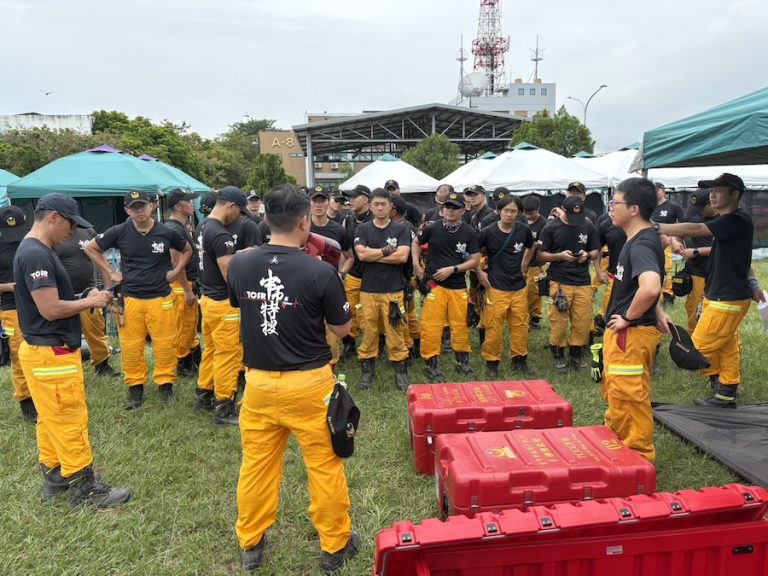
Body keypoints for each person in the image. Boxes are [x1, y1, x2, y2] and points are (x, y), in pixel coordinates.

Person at [228, 184, 358, 574]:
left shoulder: (238, 264)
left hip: (259, 384)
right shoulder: (319, 271)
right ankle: (334, 546)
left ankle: (251, 542)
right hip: (309, 384)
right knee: (324, 465)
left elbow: (240, 303)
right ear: (305, 221)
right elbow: (343, 328)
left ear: (265, 219)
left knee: (256, 465)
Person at [14, 193, 130, 507]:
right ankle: (84, 487)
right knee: (68, 418)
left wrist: (82, 294)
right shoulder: (37, 254)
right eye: (70, 225)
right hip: (51, 354)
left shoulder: (36, 250)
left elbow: (50, 301)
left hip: (41, 351)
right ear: (53, 217)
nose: (72, 233)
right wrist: (90, 302)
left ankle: (55, 477)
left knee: (50, 418)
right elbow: (50, 309)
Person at [654, 173, 763, 407]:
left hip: (728, 298)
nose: (712, 194)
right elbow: (741, 259)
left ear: (736, 194)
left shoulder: (735, 220)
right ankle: (725, 393)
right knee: (726, 347)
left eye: (719, 190)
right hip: (722, 294)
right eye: (711, 190)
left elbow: (695, 228)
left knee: (693, 350)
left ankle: (719, 385)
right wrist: (752, 283)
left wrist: (656, 226)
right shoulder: (730, 222)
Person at [85, 190, 192, 410]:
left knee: (165, 344)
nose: (139, 211)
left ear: (151, 206)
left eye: (142, 206)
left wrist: (176, 270)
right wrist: (111, 271)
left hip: (161, 298)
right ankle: (135, 389)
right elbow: (91, 248)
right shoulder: (120, 231)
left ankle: (166, 385)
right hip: (130, 298)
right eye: (134, 207)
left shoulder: (165, 231)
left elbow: (187, 249)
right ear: (127, 210)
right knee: (131, 346)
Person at [602, 177, 668, 462]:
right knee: (619, 393)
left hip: (631, 335)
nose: (610, 208)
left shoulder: (640, 244)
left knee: (629, 397)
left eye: (615, 203)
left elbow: (651, 286)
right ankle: (618, 446)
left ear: (634, 209)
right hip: (631, 333)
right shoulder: (639, 238)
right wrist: (656, 311)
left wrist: (629, 317)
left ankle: (637, 459)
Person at [194, 186, 250, 426]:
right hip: (224, 303)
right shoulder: (221, 234)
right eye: (240, 211)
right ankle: (224, 407)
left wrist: (244, 252)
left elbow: (218, 258)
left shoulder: (203, 226)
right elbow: (230, 274)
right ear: (231, 206)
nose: (239, 217)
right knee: (228, 354)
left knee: (212, 350)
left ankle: (204, 394)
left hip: (207, 299)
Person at [414, 191, 480, 381]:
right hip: (435, 286)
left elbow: (475, 259)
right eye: (447, 207)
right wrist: (416, 264)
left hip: (458, 286)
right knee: (432, 327)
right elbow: (416, 242)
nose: (450, 211)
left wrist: (453, 269)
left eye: (455, 208)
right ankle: (431, 365)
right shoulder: (432, 228)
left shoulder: (469, 232)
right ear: (442, 209)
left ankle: (462, 362)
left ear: (463, 211)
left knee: (460, 326)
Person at [354, 188, 411, 390]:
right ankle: (367, 372)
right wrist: (387, 251)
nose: (379, 208)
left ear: (390, 207)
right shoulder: (363, 229)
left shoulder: (401, 230)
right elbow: (361, 255)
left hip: (393, 290)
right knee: (368, 330)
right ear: (370, 206)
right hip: (368, 289)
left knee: (395, 330)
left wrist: (374, 253)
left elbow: (402, 257)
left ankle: (401, 372)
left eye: (383, 204)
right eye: (376, 204)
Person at [538, 196, 600, 370]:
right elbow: (541, 255)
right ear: (563, 211)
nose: (575, 221)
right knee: (559, 321)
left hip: (582, 281)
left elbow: (596, 250)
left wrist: (587, 255)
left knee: (582, 322)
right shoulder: (551, 227)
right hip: (559, 281)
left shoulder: (587, 224)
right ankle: (558, 355)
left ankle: (576, 356)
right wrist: (558, 256)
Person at [476, 195, 535, 377]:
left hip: (518, 286)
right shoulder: (487, 232)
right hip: (496, 287)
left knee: (520, 325)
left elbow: (531, 247)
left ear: (519, 213)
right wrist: (480, 272)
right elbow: (472, 254)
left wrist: (524, 265)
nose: (510, 214)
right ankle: (492, 362)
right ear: (498, 211)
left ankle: (520, 360)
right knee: (494, 327)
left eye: (514, 211)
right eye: (506, 211)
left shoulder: (523, 230)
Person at [54, 221, 121, 379]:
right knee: (66, 335)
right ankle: (70, 368)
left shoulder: (87, 231)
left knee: (96, 330)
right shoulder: (54, 236)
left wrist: (107, 286)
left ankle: (102, 364)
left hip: (89, 292)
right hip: (63, 297)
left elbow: (101, 259)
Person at [309, 186, 354, 366]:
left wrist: (341, 274)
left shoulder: (339, 230)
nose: (318, 205)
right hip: (304, 285)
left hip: (329, 286)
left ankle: (331, 365)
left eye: (322, 201)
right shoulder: (301, 227)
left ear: (329, 203)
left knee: (331, 330)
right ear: (309, 203)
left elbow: (350, 257)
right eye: (315, 201)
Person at [0, 206, 36, 421]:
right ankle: (25, 401)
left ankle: (42, 394)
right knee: (19, 354)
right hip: (11, 307)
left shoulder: (33, 241)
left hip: (38, 305)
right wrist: (10, 287)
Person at [164, 189, 201, 378]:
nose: (192, 204)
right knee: (182, 326)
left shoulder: (181, 226)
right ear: (178, 206)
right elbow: (175, 262)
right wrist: (187, 290)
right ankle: (180, 364)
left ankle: (189, 360)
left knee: (189, 325)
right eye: (189, 201)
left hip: (187, 283)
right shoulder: (173, 228)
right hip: (180, 286)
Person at [340, 185, 373, 360]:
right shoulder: (348, 220)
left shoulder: (377, 220)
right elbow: (344, 250)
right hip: (353, 273)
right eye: (349, 197)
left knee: (369, 314)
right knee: (349, 311)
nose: (350, 200)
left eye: (354, 197)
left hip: (372, 276)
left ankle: (375, 345)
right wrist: (342, 272)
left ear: (366, 199)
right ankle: (349, 343)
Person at [676, 189, 714, 332]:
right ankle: (694, 340)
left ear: (712, 202)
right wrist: (676, 242)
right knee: (693, 308)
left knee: (713, 312)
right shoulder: (693, 217)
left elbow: (725, 249)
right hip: (695, 272)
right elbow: (679, 234)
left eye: (701, 209)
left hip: (716, 272)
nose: (698, 213)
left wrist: (696, 252)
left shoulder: (724, 220)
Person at [652, 182, 686, 306]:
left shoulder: (673, 206)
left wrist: (673, 238)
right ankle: (657, 296)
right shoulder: (650, 206)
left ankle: (668, 295)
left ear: (663, 191)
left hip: (667, 241)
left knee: (665, 268)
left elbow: (684, 223)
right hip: (651, 241)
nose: (654, 193)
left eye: (656, 190)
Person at [522, 195, 547, 330]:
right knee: (522, 292)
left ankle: (535, 317)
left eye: (530, 213)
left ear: (538, 210)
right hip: (521, 262)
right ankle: (523, 315)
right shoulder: (521, 221)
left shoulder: (543, 224)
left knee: (533, 292)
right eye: (525, 213)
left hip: (536, 264)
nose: (528, 216)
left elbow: (545, 244)